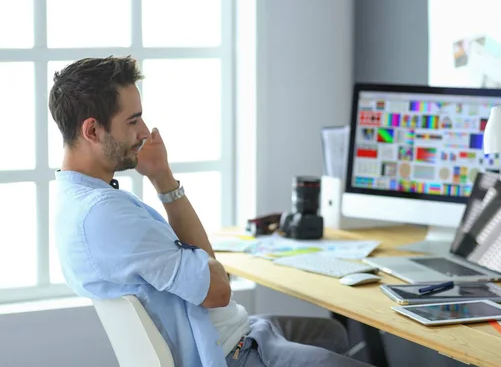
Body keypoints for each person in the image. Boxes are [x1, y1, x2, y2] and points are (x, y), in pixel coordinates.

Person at [49, 56, 373, 367]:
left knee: (333, 332)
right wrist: (208, 267)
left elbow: (211, 273)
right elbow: (218, 289)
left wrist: (163, 178)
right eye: (132, 121)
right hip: (232, 353)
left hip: (236, 332)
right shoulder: (105, 215)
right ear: (92, 131)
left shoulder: (78, 198)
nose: (145, 132)